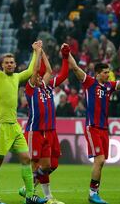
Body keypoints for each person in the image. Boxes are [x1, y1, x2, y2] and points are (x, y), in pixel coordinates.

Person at [0, 37, 46, 204]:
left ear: (15, 64)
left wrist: (36, 51)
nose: (10, 64)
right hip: (0, 126)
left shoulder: (17, 77)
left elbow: (33, 69)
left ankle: (30, 195)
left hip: (15, 126)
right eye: (7, 62)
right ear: (2, 65)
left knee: (26, 158)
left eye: (12, 62)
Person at [68, 54, 120, 204]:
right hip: (93, 127)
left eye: (108, 72)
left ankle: (95, 193)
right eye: (105, 72)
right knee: (100, 159)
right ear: (97, 74)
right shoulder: (90, 83)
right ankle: (92, 194)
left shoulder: (109, 86)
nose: (108, 74)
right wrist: (67, 54)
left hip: (104, 129)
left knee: (101, 162)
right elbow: (75, 68)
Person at [20, 43, 70, 204]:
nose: (41, 77)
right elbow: (35, 71)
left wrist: (43, 53)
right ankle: (38, 197)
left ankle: (30, 191)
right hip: (35, 131)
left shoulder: (46, 88)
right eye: (38, 76)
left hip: (47, 131)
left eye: (41, 76)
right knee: (35, 165)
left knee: (47, 165)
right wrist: (37, 52)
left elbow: (49, 71)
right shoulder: (30, 88)